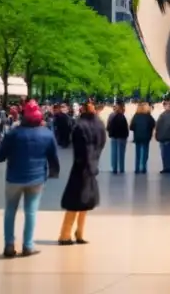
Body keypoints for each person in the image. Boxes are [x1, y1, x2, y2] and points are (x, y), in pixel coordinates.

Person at [0, 101, 60, 258]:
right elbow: (54, 158)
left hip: (14, 177)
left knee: (10, 210)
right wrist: (53, 172)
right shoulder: (46, 134)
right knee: (31, 212)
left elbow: (0, 155)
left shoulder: (13, 133)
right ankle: (28, 245)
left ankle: (9, 244)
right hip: (36, 179)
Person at [58, 101, 106, 245]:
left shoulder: (79, 126)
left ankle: (65, 235)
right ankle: (80, 233)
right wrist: (94, 161)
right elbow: (102, 143)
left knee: (73, 202)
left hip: (80, 168)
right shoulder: (99, 125)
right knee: (85, 203)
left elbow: (78, 148)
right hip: (92, 168)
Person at [130, 102, 155, 174]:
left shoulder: (136, 116)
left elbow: (131, 127)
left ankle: (137, 168)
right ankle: (143, 167)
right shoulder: (148, 116)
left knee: (137, 153)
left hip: (137, 137)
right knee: (145, 153)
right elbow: (153, 124)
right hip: (146, 137)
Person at [106, 102, 129, 174]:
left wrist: (110, 132)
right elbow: (125, 128)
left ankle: (114, 168)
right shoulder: (123, 117)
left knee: (114, 152)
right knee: (121, 153)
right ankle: (121, 168)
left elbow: (108, 126)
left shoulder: (111, 116)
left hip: (114, 136)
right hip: (122, 137)